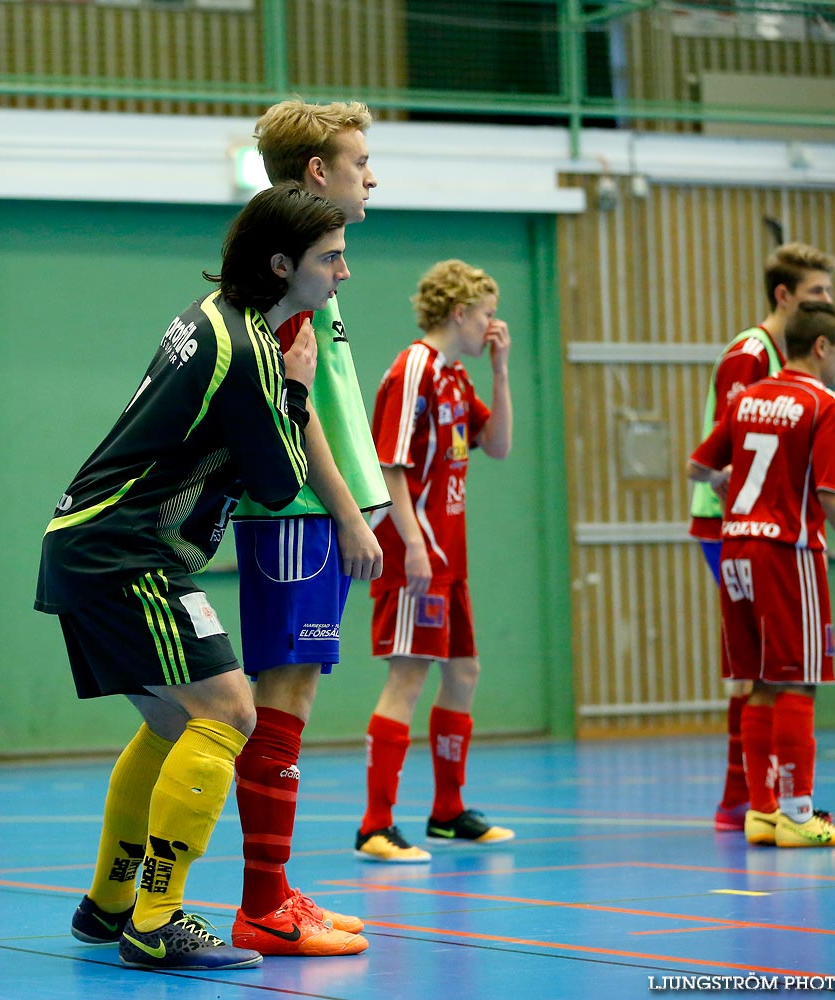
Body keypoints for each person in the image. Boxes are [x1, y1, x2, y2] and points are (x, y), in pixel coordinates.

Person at [36, 182, 357, 971]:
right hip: (124, 547)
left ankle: (109, 903)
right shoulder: (251, 355)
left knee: (173, 722)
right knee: (229, 709)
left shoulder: (210, 315)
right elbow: (280, 482)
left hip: (94, 540)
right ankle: (157, 919)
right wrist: (298, 388)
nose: (344, 273)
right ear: (283, 265)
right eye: (331, 258)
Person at [225, 99, 384, 958]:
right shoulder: (295, 269)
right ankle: (260, 904)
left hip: (314, 517)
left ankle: (277, 888)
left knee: (296, 699)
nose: (373, 173)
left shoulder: (321, 260)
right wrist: (348, 513)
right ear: (317, 171)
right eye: (359, 158)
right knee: (280, 705)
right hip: (296, 514)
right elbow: (299, 414)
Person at [687, 301, 835, 848]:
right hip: (786, 552)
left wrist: (730, 480)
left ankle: (763, 811)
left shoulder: (750, 396)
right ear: (820, 347)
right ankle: (800, 816)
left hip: (734, 549)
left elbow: (697, 467)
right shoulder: (826, 404)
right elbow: (831, 495)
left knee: (760, 683)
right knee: (800, 680)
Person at [352, 259, 515, 862]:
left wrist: (500, 371)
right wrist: (414, 543)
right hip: (413, 552)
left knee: (464, 672)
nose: (493, 327)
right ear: (460, 313)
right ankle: (375, 825)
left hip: (450, 554)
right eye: (488, 316)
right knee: (408, 677)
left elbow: (496, 445)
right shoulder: (415, 367)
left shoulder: (454, 376)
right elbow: (388, 462)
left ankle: (448, 812)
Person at [689, 242, 835, 832]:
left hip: (754, 523)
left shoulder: (788, 357)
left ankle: (749, 802)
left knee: (761, 668)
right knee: (762, 666)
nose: (828, 303)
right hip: (734, 523)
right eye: (818, 293)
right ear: (785, 296)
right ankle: (752, 801)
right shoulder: (752, 354)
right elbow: (729, 455)